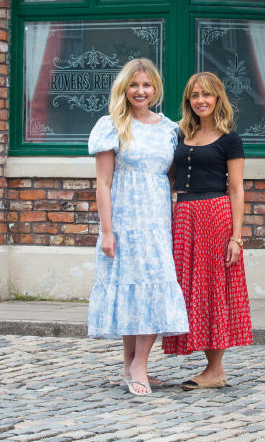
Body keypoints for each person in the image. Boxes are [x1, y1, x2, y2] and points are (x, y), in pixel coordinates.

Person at [87, 58, 189, 396]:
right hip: (124, 220)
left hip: (158, 221)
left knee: (154, 284)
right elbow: (103, 183)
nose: (140, 91)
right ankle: (130, 366)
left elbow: (173, 179)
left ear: (155, 88)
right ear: (124, 88)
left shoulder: (170, 129)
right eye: (134, 85)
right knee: (130, 287)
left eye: (146, 85)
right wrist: (107, 230)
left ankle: (139, 364)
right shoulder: (112, 124)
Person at [162, 71, 252, 389]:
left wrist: (236, 236)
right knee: (188, 287)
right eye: (195, 95)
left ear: (218, 98)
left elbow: (237, 189)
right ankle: (207, 366)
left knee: (214, 288)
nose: (201, 100)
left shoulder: (230, 139)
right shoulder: (181, 135)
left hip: (215, 215)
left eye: (207, 95)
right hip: (184, 214)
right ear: (189, 100)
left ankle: (215, 370)